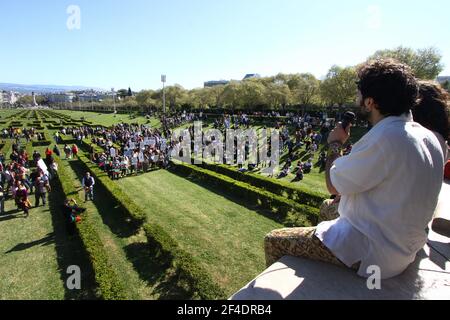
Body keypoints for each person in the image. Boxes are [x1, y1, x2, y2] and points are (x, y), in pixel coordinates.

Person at [264, 59, 445, 280]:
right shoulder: (430, 137)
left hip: (375, 252)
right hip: (403, 246)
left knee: (273, 239)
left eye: (358, 94)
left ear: (370, 102)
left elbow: (333, 185)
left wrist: (334, 144)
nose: (355, 99)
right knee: (327, 208)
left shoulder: (385, 138)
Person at [412, 80, 450, 238]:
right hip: (418, 225)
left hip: (394, 230)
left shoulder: (414, 140)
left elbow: (336, 186)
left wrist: (335, 145)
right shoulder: (440, 142)